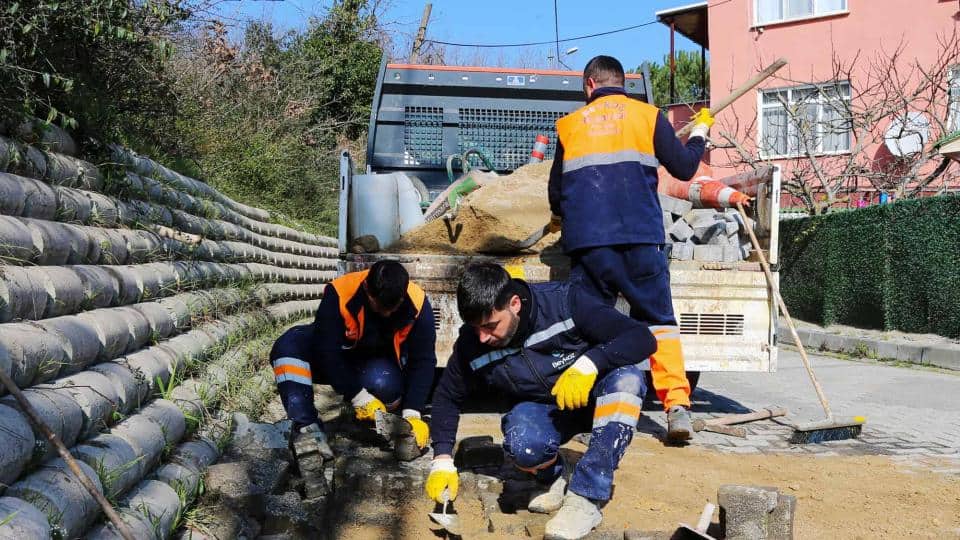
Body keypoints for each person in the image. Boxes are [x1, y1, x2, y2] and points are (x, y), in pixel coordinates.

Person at [547, 55, 714, 442]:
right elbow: (686, 168)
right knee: (660, 322)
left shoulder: (568, 126)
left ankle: (589, 408)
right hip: (641, 241)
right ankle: (676, 408)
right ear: (621, 83)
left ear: (589, 85)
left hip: (590, 246)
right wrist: (701, 132)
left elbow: (556, 194)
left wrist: (564, 216)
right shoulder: (648, 116)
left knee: (591, 324)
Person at [426, 263, 657, 540]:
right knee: (522, 445)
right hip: (544, 411)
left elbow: (642, 338)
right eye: (475, 328)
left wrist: (591, 363)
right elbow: (447, 397)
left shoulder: (565, 302)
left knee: (628, 381)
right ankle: (553, 475)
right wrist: (441, 459)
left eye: (490, 325)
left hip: (593, 398)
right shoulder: (472, 343)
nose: (483, 337)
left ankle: (586, 497)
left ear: (514, 304)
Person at [269, 260, 437, 459]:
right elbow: (326, 351)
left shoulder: (417, 302)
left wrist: (413, 413)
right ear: (367, 288)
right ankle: (307, 430)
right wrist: (358, 396)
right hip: (338, 356)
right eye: (380, 306)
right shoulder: (340, 293)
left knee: (384, 385)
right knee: (288, 347)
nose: (387, 313)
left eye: (392, 308)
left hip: (377, 366)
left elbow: (424, 361)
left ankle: (375, 424)